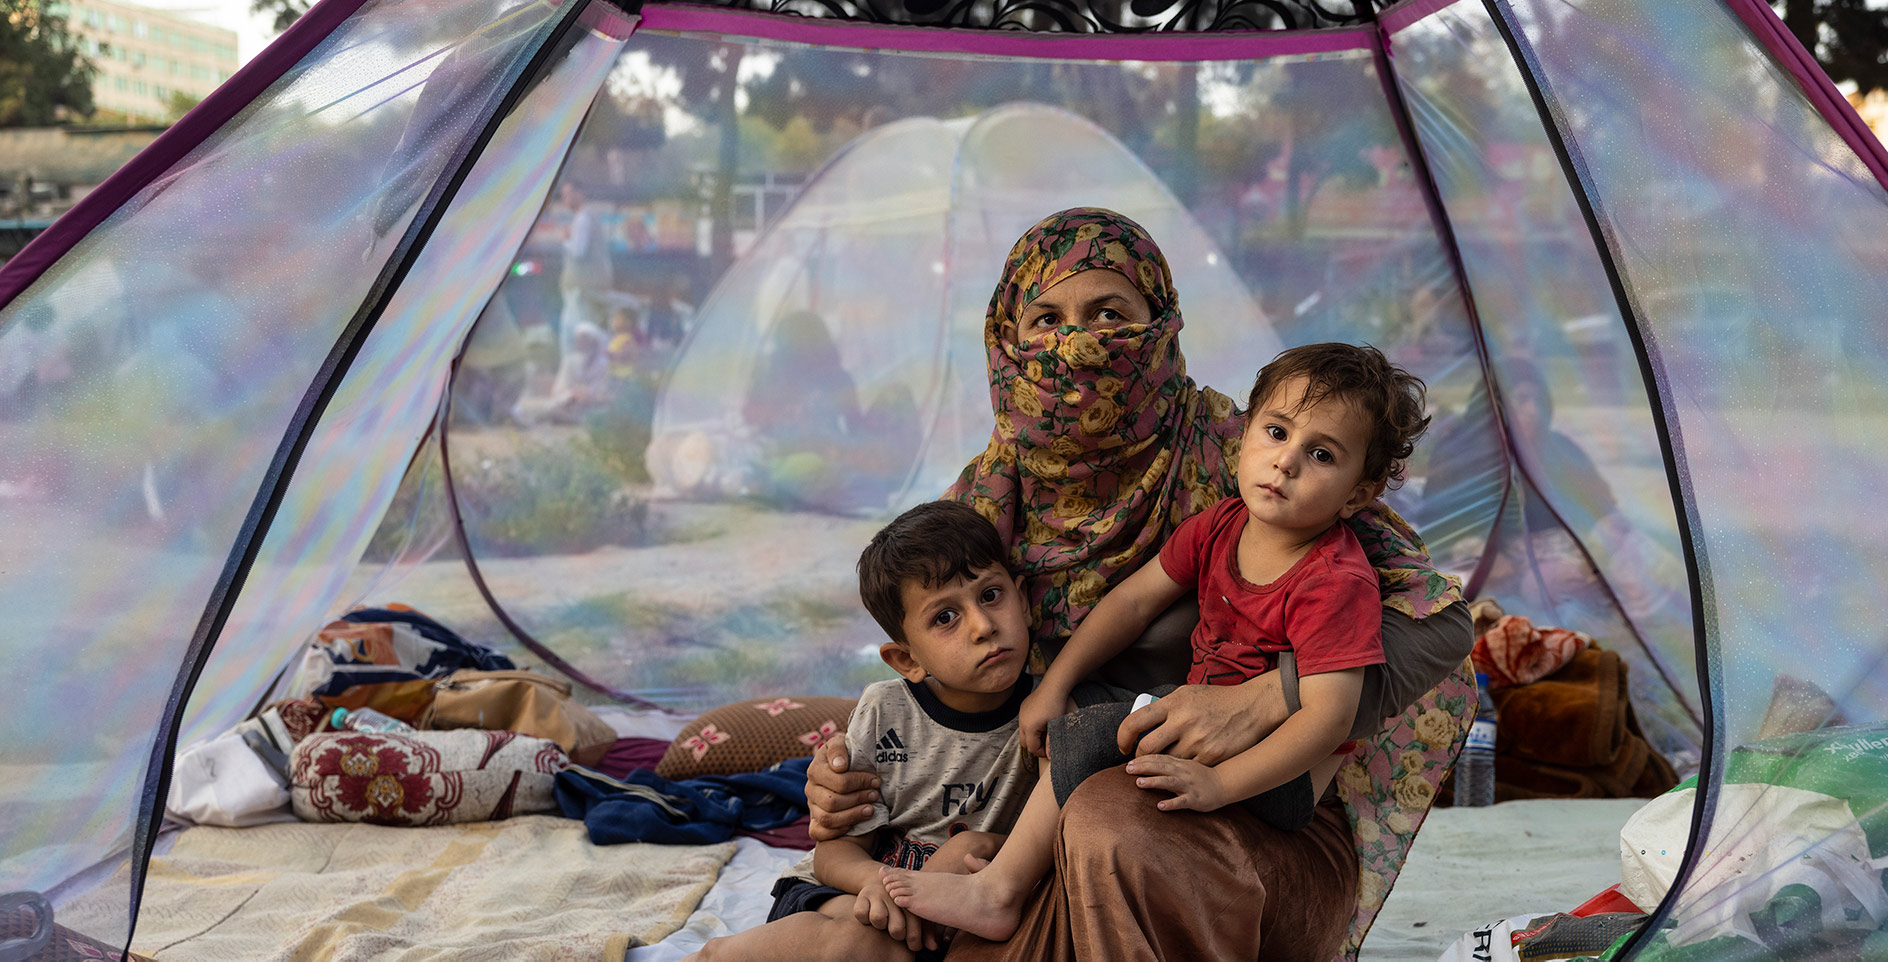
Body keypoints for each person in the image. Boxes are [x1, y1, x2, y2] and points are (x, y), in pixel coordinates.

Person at [804, 208, 1474, 960]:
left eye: (1109, 314)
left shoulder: (1246, 460)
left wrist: (1260, 699)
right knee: (856, 940)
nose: (1076, 343)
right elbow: (943, 683)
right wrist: (848, 784)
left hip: (1245, 823)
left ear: (1160, 324)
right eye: (1047, 318)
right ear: (1008, 341)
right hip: (1043, 824)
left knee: (1110, 821)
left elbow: (1444, 625)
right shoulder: (987, 506)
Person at [879, 343, 1430, 941]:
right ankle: (1020, 864)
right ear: (1245, 434)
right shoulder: (1221, 526)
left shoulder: (1334, 580)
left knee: (1102, 728)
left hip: (1282, 777)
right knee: (1087, 705)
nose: (1286, 462)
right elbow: (1132, 602)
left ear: (1357, 495)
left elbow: (1329, 717)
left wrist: (1223, 784)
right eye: (1276, 432)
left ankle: (999, 891)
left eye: (1321, 454)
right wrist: (1055, 685)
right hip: (1206, 728)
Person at [685, 500, 1041, 962]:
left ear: (1024, 601)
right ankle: (715, 955)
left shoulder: (1047, 713)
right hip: (847, 891)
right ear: (907, 660)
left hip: (945, 912)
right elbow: (833, 855)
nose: (983, 626)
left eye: (990, 595)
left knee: (963, 855)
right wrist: (877, 882)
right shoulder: (885, 711)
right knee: (863, 942)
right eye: (944, 617)